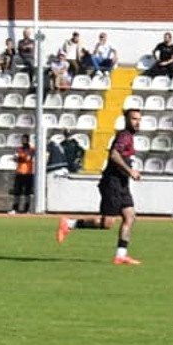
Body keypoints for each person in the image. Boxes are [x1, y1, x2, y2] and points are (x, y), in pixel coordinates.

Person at [56, 108, 142, 265]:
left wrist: (130, 172)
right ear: (127, 120)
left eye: (139, 119)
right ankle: (69, 223)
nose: (137, 122)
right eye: (134, 119)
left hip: (122, 183)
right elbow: (114, 155)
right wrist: (131, 172)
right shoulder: (124, 136)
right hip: (112, 183)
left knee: (130, 216)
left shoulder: (129, 137)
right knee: (107, 223)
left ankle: (121, 255)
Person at [10, 134, 34, 214]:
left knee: (27, 192)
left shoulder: (31, 149)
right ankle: (15, 208)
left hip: (28, 173)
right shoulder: (19, 149)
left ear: (28, 140)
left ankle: (27, 209)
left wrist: (20, 158)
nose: (23, 141)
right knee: (17, 192)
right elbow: (15, 158)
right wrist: (21, 158)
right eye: (22, 139)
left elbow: (28, 158)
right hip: (19, 172)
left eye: (25, 139)